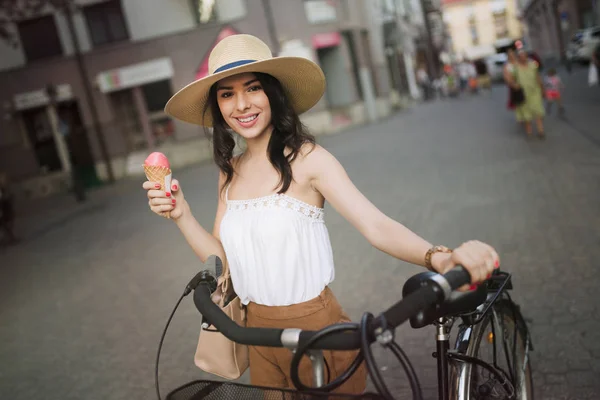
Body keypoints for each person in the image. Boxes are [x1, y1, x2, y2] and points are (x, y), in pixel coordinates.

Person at [143, 34, 500, 393]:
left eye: (252, 88)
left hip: (318, 330)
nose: (241, 104)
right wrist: (182, 214)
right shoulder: (229, 171)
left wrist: (439, 257)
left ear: (272, 93)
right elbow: (222, 263)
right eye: (226, 94)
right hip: (257, 335)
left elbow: (374, 225)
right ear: (218, 106)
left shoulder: (309, 159)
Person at [505, 49, 545, 138]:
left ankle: (540, 130)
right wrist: (514, 85)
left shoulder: (533, 65)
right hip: (523, 94)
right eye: (521, 56)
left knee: (538, 110)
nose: (523, 58)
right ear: (518, 58)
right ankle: (529, 131)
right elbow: (510, 79)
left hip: (535, 92)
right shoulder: (515, 68)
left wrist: (542, 89)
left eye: (525, 56)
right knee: (526, 113)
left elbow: (538, 77)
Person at [0, 171, 18, 245]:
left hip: (5, 208)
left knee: (7, 223)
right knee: (5, 224)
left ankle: (10, 237)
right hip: (3, 209)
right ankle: (10, 237)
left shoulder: (3, 189)